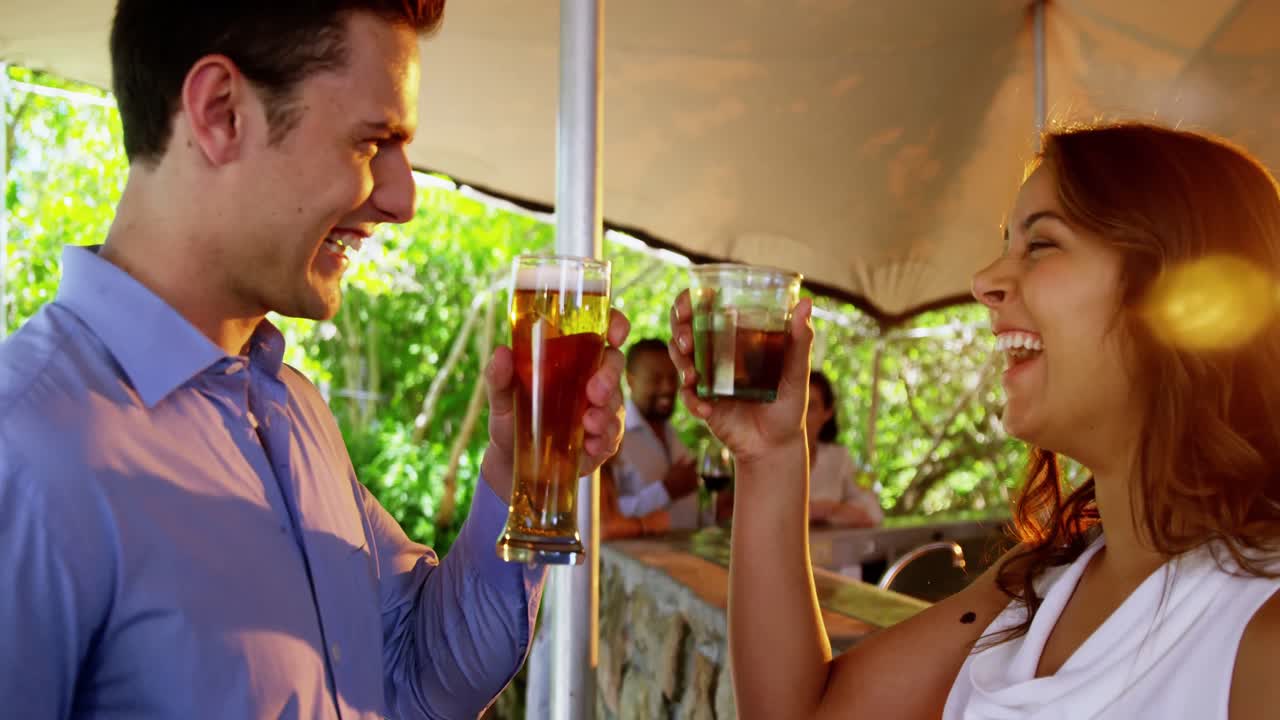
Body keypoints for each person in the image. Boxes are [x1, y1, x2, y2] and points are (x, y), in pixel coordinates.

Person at [0, 3, 630, 718]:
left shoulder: (290, 407)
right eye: (371, 144)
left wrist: (518, 476)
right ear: (222, 112)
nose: (403, 199)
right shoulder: (26, 455)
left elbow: (418, 673)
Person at [667, 122, 1280, 719]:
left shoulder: (1257, 636)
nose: (985, 280)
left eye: (1041, 244)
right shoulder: (1035, 589)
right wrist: (770, 455)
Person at [613, 338, 701, 529]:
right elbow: (605, 515)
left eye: (672, 378)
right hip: (630, 559)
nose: (667, 388)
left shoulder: (673, 435)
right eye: (655, 379)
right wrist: (665, 491)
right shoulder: (612, 437)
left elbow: (685, 511)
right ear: (630, 380)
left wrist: (715, 513)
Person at [806, 370, 882, 529]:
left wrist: (830, 509)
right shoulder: (764, 457)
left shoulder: (841, 457)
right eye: (797, 405)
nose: (801, 415)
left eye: (811, 407)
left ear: (827, 413)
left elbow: (874, 511)